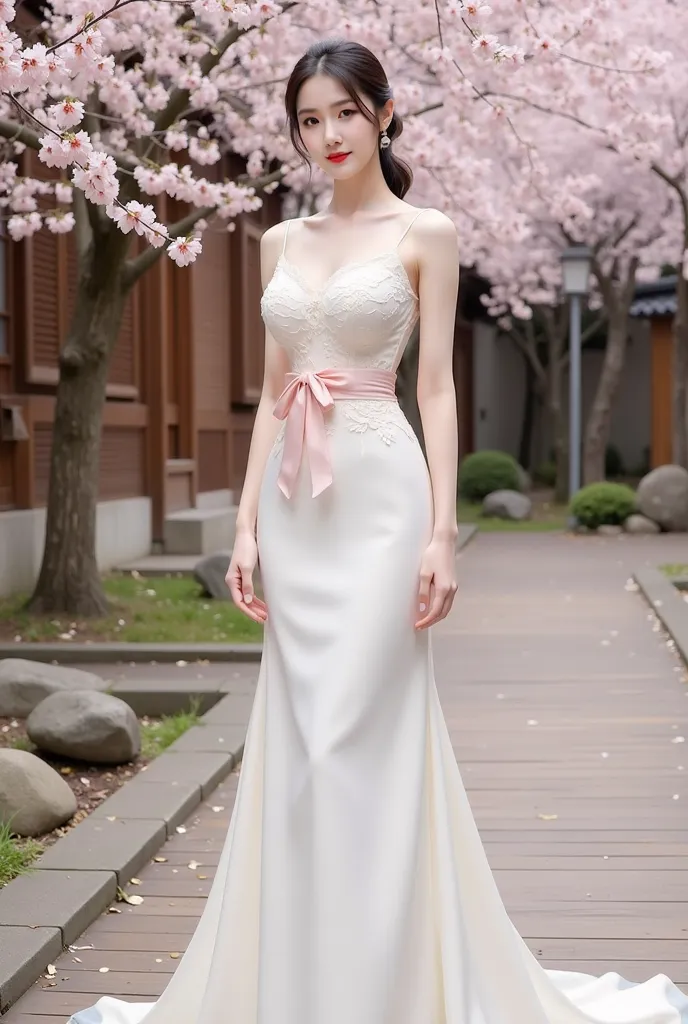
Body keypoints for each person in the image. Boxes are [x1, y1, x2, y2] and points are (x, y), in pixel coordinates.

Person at [68, 37, 688, 1024]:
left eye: (343, 114)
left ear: (384, 113)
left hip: (382, 499)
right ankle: (306, 980)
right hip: (297, 511)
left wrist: (441, 533)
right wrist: (243, 525)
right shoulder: (280, 243)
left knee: (364, 731)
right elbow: (275, 392)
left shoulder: (426, 233)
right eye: (308, 120)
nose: (327, 136)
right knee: (305, 740)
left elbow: (435, 387)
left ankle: (389, 986)